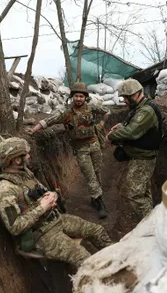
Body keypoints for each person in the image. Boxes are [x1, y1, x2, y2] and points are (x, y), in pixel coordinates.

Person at [0, 137, 113, 267]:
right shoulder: (5, 189)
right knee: (84, 258)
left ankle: (119, 259)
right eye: (26, 154)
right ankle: (106, 283)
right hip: (42, 234)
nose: (29, 156)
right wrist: (42, 207)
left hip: (55, 219)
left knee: (97, 231)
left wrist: (53, 195)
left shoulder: (25, 173)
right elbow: (15, 227)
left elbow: (40, 193)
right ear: (16, 160)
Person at [31, 82, 109, 219]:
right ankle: (98, 201)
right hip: (80, 149)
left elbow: (106, 112)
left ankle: (96, 195)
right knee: (90, 175)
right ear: (72, 97)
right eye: (76, 96)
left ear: (85, 97)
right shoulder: (66, 112)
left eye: (81, 96)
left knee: (97, 172)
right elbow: (49, 120)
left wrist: (101, 124)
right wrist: (33, 130)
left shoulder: (92, 107)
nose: (79, 99)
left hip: (94, 144)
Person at [106, 79, 162, 220]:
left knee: (134, 194)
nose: (124, 101)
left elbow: (131, 132)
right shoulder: (140, 108)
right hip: (140, 156)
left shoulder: (146, 111)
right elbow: (133, 124)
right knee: (143, 192)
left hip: (143, 159)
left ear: (137, 94)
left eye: (127, 97)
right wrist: (120, 125)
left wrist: (111, 136)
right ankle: (150, 217)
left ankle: (150, 224)